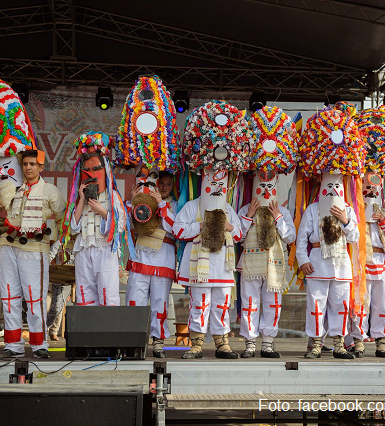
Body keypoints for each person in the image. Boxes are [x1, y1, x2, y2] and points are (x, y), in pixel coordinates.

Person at [175, 100, 253, 360]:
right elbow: (178, 230)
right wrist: (200, 226)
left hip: (223, 266)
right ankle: (196, 344)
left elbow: (241, 233)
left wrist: (230, 227)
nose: (216, 181)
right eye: (211, 176)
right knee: (200, 304)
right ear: (204, 176)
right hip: (200, 266)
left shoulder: (229, 208)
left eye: (221, 177)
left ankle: (222, 343)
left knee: (221, 304)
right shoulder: (191, 206)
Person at [115, 75, 182, 358]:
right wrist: (143, 198)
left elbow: (175, 229)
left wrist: (161, 204)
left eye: (167, 183)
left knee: (159, 301)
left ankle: (157, 341)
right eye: (160, 182)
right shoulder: (140, 192)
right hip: (142, 255)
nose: (163, 186)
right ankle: (134, 339)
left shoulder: (176, 204)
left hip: (163, 256)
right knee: (135, 298)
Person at [297, 107, 365, 360]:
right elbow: (302, 238)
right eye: (329, 184)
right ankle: (315, 343)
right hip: (316, 265)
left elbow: (356, 237)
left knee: (340, 305)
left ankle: (338, 343)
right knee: (316, 305)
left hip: (341, 265)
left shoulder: (347, 208)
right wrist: (302, 260)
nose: (333, 188)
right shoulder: (312, 209)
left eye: (337, 185)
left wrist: (346, 220)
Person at [0, 149, 66, 358]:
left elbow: (62, 219)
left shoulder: (50, 191)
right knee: (9, 296)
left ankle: (39, 345)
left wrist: (53, 245)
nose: (28, 168)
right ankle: (13, 345)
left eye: (33, 164)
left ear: (41, 167)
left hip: (34, 250)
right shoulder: (12, 187)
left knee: (35, 297)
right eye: (26, 164)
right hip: (8, 247)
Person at [237, 106, 298, 358]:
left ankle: (268, 343)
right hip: (250, 264)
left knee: (272, 303)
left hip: (273, 263)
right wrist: (248, 216)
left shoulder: (281, 210)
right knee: (249, 304)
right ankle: (250, 343)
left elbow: (291, 237)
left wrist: (279, 217)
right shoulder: (244, 208)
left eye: (269, 179)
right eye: (260, 178)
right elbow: (236, 236)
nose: (265, 181)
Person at [348, 105, 385, 358]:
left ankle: (381, 341)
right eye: (366, 189)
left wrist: (382, 220)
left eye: (374, 189)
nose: (371, 193)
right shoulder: (354, 209)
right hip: (361, 261)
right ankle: (358, 340)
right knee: (361, 302)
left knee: (382, 304)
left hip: (381, 261)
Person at [62, 132, 126, 308]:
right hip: (83, 249)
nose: (91, 174)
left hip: (104, 249)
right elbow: (72, 228)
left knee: (107, 294)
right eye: (87, 170)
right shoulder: (78, 197)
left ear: (105, 170)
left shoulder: (112, 196)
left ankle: (108, 334)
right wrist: (81, 200)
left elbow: (120, 225)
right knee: (84, 294)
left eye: (96, 169)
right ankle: (87, 334)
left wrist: (103, 212)